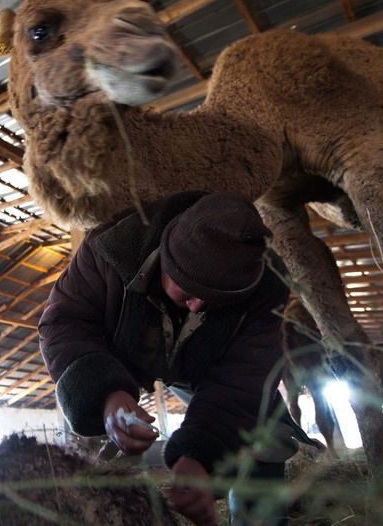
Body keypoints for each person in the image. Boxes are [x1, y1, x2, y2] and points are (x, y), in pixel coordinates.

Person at [39, 191, 318, 525]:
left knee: (265, 430)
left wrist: (198, 458)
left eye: (214, 299)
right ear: (165, 262)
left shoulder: (266, 285)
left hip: (205, 360)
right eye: (188, 290)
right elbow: (63, 323)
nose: (198, 305)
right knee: (102, 457)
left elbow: (241, 380)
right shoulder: (110, 251)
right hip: (120, 350)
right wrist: (105, 394)